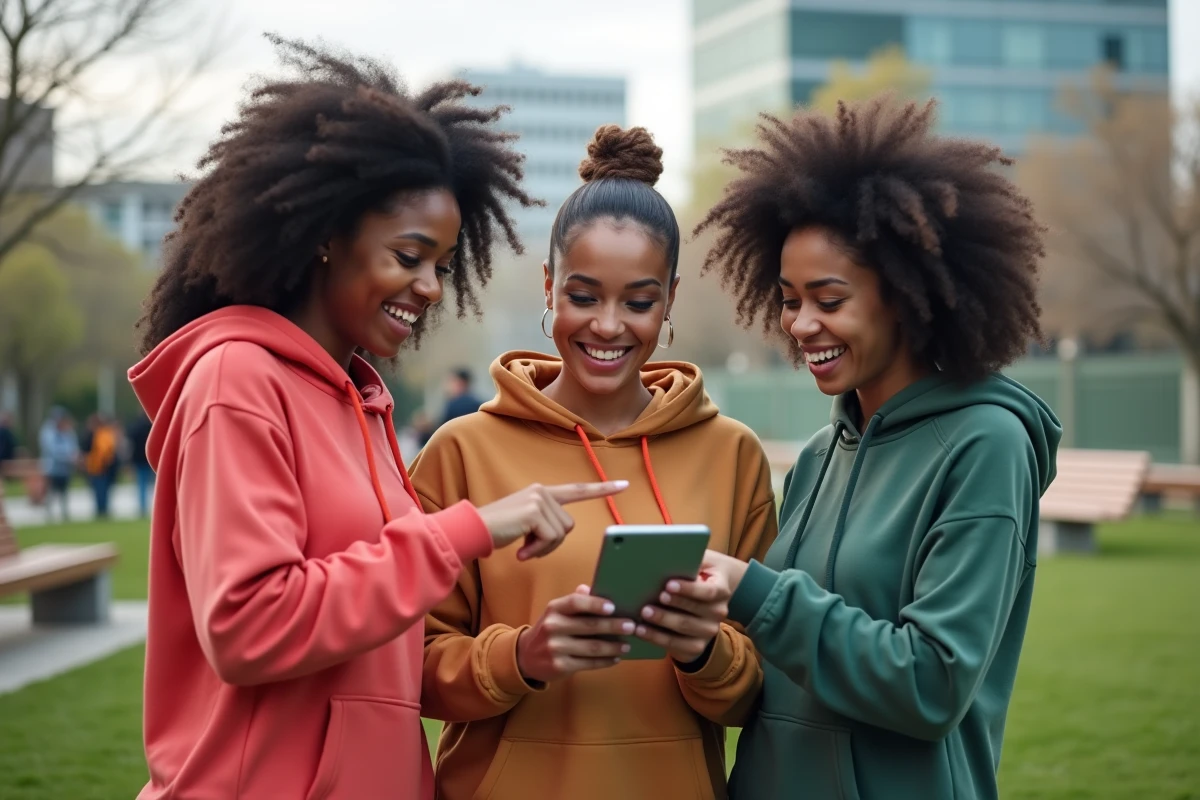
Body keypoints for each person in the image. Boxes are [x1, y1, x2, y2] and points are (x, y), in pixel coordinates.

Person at [126, 36, 627, 800]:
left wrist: (526, 649)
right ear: (328, 236)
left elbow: (379, 664)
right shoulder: (236, 381)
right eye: (409, 255)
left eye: (442, 265)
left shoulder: (361, 400)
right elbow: (249, 626)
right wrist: (466, 530)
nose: (429, 287)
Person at [692, 95, 1062, 800]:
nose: (800, 325)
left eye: (828, 300)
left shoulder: (986, 445)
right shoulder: (815, 459)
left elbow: (931, 684)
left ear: (904, 294)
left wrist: (755, 590)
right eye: (788, 298)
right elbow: (786, 671)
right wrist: (705, 637)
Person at [413, 126, 778, 800]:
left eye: (638, 302)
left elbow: (760, 695)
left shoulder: (734, 455)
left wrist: (703, 649)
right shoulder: (460, 452)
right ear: (550, 288)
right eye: (584, 296)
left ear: (669, 300)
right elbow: (410, 673)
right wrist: (523, 656)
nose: (609, 326)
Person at [38, 407, 78, 522]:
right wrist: (67, 457)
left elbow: (72, 446)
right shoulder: (47, 431)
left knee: (64, 492)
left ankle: (64, 514)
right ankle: (49, 515)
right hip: (52, 468)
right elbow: (51, 449)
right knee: (51, 491)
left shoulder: (67, 430)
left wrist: (73, 456)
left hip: (65, 468)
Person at [81, 413, 120, 519]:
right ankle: (102, 510)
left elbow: (103, 452)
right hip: (101, 466)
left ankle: (101, 510)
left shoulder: (99, 434)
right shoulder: (106, 433)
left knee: (100, 490)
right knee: (102, 490)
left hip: (98, 467)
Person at [126, 411, 154, 517]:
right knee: (154, 484)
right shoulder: (151, 426)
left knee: (141, 485)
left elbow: (130, 446)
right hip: (150, 459)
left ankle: (142, 508)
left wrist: (130, 461)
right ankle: (155, 506)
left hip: (138, 460)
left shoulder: (135, 428)